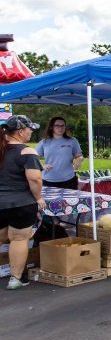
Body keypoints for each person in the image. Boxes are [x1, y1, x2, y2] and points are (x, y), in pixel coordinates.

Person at [0, 115, 44, 290]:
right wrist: (39, 198)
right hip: (21, 204)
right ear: (20, 132)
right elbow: (35, 179)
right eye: (29, 129)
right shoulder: (27, 152)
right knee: (19, 239)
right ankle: (15, 279)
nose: (31, 132)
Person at [36, 117, 83, 190]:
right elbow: (33, 158)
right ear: (51, 127)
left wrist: (79, 159)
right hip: (48, 181)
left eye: (62, 126)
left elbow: (79, 156)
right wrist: (42, 165)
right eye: (57, 125)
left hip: (69, 180)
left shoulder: (72, 141)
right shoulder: (44, 142)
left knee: (71, 201)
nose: (60, 128)